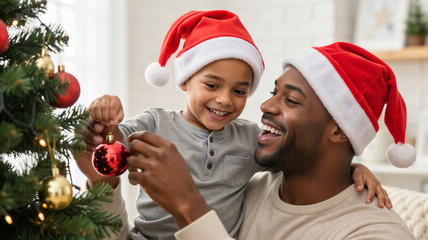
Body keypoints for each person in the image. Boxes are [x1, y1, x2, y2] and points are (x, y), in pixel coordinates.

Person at [75, 10, 391, 240]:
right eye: (212, 85)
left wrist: (354, 169)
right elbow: (112, 141)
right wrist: (105, 124)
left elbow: (316, 164)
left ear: (340, 131)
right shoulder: (156, 123)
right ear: (185, 82)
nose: (227, 100)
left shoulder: (249, 140)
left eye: (240, 91)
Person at [119, 42, 416, 239]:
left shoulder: (372, 233)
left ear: (340, 131)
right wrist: (104, 187)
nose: (265, 106)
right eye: (274, 92)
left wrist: (188, 205)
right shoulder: (247, 189)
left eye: (291, 100)